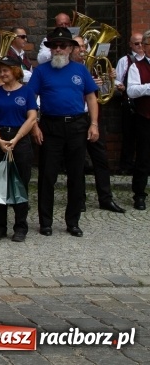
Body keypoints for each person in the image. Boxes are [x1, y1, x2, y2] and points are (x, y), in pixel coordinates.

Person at [28, 27, 99, 237]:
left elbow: (92, 98)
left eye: (62, 45)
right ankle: (46, 222)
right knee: (47, 176)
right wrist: (34, 125)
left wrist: (94, 124)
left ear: (70, 48)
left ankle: (73, 221)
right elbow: (30, 99)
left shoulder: (81, 70)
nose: (58, 49)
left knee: (76, 175)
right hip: (50, 126)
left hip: (77, 126)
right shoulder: (41, 71)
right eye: (54, 46)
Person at [0, 58, 37, 242]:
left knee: (20, 182)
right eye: (0, 71)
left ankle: (20, 227)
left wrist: (15, 139)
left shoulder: (27, 91)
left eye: (6, 70)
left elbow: (31, 118)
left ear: (15, 71)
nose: (2, 74)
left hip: (19, 139)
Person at [70, 36, 124, 213]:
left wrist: (110, 80)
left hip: (94, 116)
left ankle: (106, 198)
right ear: (70, 48)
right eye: (78, 46)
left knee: (101, 158)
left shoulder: (93, 66)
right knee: (77, 160)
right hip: (76, 116)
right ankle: (79, 199)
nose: (83, 49)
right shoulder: (65, 68)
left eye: (84, 46)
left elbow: (106, 93)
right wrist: (90, 85)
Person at [126, 30, 150, 211]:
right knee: (143, 157)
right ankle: (139, 194)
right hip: (145, 117)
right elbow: (131, 91)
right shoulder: (136, 66)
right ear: (145, 47)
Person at [115, 32, 145, 174]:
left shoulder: (147, 61)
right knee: (128, 135)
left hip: (144, 103)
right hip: (129, 102)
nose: (139, 46)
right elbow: (117, 79)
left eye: (141, 43)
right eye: (136, 43)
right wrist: (119, 86)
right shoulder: (125, 60)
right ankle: (126, 165)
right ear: (131, 45)